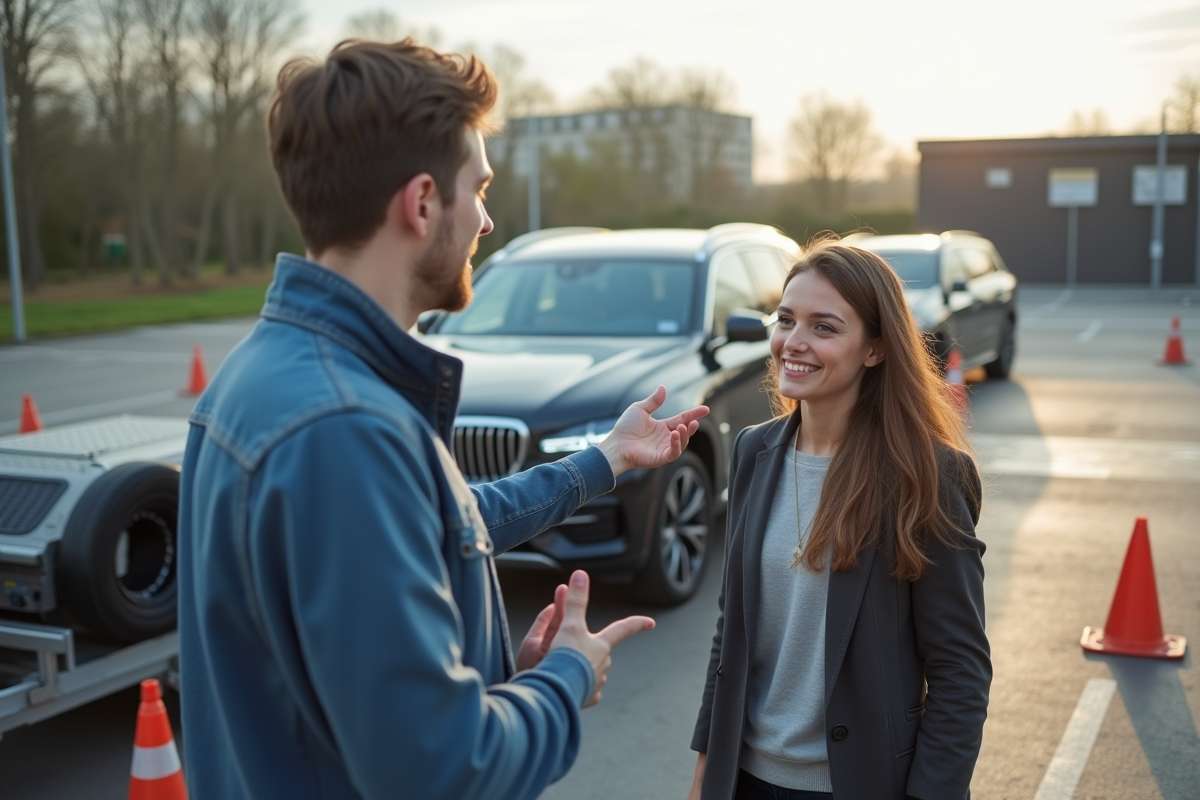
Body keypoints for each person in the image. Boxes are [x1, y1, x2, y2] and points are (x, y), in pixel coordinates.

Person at [176, 39, 709, 800]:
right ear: (423, 203)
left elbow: (442, 523)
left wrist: (606, 459)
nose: (487, 221)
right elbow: (443, 769)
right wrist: (564, 678)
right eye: (479, 188)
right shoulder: (343, 429)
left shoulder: (266, 374)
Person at [687, 240, 990, 800]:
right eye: (785, 320)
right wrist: (707, 770)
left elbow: (960, 670)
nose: (793, 343)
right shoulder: (754, 453)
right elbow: (731, 632)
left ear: (874, 349)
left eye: (824, 328)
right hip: (744, 778)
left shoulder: (926, 475)